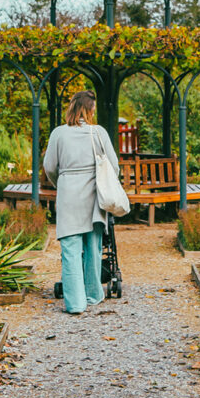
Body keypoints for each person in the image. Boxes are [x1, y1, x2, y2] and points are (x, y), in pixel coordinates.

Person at [42, 90, 120, 314]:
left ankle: (75, 303)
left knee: (70, 249)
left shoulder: (58, 134)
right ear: (89, 110)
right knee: (93, 246)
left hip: (68, 194)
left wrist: (63, 183)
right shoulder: (98, 133)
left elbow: (49, 167)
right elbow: (113, 166)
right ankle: (94, 294)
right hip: (94, 196)